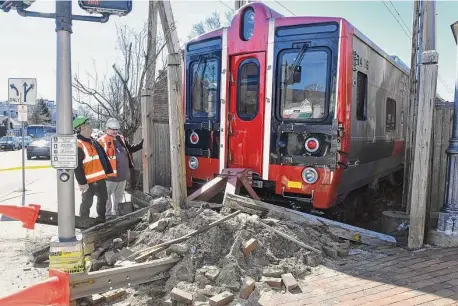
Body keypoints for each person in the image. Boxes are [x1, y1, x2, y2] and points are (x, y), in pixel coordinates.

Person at [98, 118, 143, 219]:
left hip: (122, 175)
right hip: (109, 177)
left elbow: (129, 148)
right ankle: (108, 216)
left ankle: (117, 215)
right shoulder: (101, 141)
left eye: (116, 129)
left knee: (118, 197)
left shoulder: (120, 138)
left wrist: (140, 146)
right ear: (107, 129)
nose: (115, 131)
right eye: (112, 129)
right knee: (107, 197)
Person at [73, 116, 113, 223]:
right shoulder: (78, 144)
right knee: (86, 203)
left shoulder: (92, 141)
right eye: (88, 126)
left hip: (100, 179)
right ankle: (84, 223)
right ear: (81, 128)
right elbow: (77, 166)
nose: (91, 128)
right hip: (88, 181)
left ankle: (101, 220)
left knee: (103, 199)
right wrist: (82, 183)